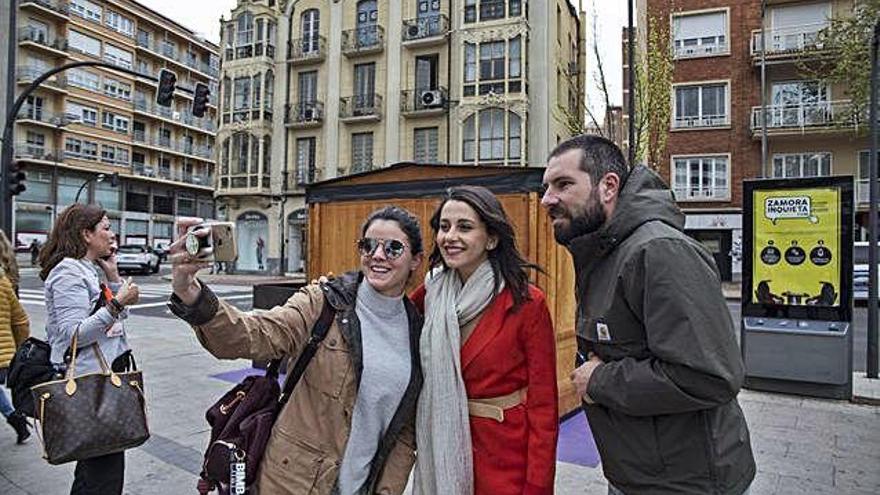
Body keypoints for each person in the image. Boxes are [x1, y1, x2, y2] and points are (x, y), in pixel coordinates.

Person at [540, 134, 755, 495]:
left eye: (563, 184)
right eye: (546, 187)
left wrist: (598, 380)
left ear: (609, 186)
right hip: (639, 474)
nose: (548, 199)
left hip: (686, 484)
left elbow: (711, 375)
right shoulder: (604, 251)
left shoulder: (658, 251)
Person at [167, 206, 424, 494]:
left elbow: (405, 429)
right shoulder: (325, 302)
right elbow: (256, 334)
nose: (377, 256)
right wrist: (190, 291)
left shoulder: (419, 331)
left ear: (415, 260)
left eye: (393, 248)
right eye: (368, 245)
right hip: (291, 482)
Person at [412, 186, 558, 495]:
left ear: (491, 238)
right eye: (444, 226)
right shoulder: (429, 294)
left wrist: (538, 485)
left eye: (464, 227)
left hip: (505, 460)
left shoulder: (528, 303)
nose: (450, 236)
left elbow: (544, 407)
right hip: (442, 449)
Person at [39, 204, 140, 495]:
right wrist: (118, 302)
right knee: (103, 478)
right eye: (106, 228)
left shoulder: (87, 269)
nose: (112, 234)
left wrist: (113, 277)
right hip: (89, 385)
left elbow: (117, 320)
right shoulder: (68, 273)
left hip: (103, 380)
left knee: (95, 473)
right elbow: (73, 335)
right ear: (86, 234)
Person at [0, 232, 30, 444]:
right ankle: (15, 418)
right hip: (4, 357)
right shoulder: (3, 278)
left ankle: (15, 418)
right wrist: (18, 353)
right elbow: (20, 321)